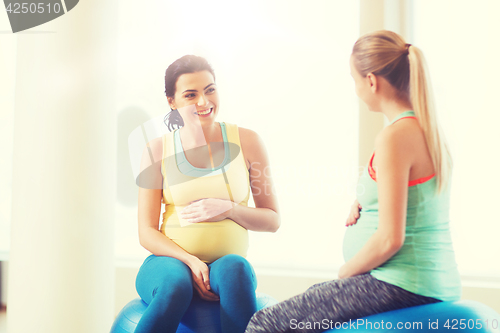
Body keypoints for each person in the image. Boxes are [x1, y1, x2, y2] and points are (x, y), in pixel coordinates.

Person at [245, 30, 461, 333]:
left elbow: (391, 239)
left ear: (371, 81)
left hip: (401, 283)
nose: (356, 89)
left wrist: (346, 272)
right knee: (311, 299)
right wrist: (367, 203)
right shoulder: (427, 131)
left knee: (264, 323)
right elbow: (414, 203)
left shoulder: (395, 137)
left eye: (354, 79)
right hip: (429, 279)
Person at [135, 55, 280, 333]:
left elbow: (272, 219)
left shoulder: (248, 142)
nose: (203, 101)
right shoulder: (156, 150)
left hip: (226, 263)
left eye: (210, 89)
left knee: (235, 270)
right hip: (169, 263)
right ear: (172, 102)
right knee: (175, 286)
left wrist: (230, 209)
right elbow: (147, 231)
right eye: (191, 95)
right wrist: (190, 262)